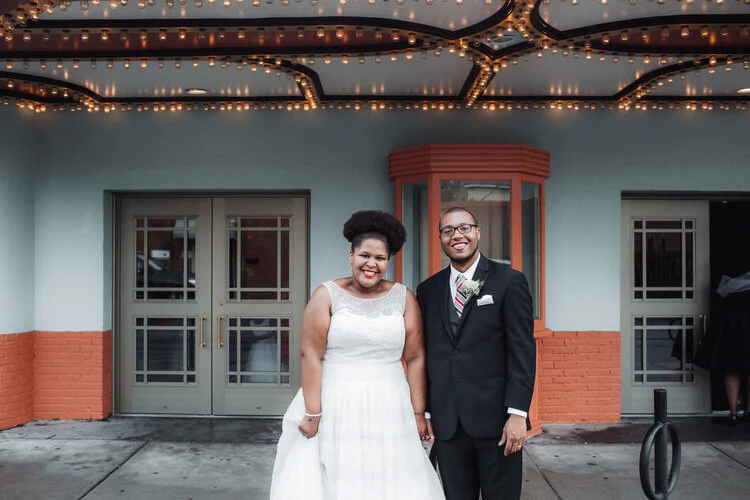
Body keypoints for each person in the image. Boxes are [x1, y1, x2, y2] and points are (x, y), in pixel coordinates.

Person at [270, 210, 445, 500]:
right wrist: (313, 413)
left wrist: (418, 413)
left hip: (390, 404)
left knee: (390, 477)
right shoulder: (326, 295)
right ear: (351, 255)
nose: (371, 264)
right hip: (334, 402)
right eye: (365, 255)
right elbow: (310, 355)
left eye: (380, 258)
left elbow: (415, 358)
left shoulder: (404, 297)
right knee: (336, 476)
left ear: (388, 262)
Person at [417, 207, 536, 500]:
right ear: (440, 238)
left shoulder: (509, 281)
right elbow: (428, 354)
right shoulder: (427, 290)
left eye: (464, 228)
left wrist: (518, 413)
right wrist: (428, 411)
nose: (457, 235)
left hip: (498, 422)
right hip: (449, 425)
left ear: (477, 233)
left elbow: (522, 349)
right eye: (448, 230)